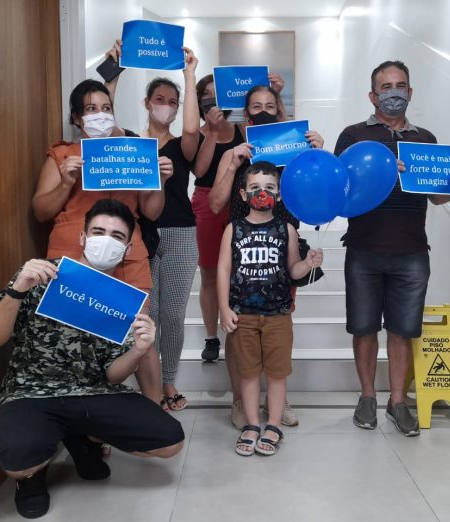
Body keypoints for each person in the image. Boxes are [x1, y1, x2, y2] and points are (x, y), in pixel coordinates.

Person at [0, 199, 185, 519]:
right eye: (98, 232)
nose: (106, 241)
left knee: (170, 441)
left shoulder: (122, 301)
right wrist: (18, 289)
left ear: (127, 249)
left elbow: (113, 375)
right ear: (83, 238)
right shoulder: (42, 274)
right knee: (18, 461)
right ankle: (32, 478)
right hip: (31, 392)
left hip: (94, 392)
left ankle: (80, 436)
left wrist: (138, 349)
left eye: (117, 236)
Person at [333, 60, 450, 436]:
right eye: (386, 87)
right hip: (364, 248)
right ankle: (367, 397)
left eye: (400, 86)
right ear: (372, 95)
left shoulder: (425, 139)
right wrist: (380, 171)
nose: (394, 93)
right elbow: (339, 190)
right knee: (364, 328)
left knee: (402, 330)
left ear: (410, 92)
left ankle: (398, 402)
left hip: (412, 251)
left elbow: (439, 198)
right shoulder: (353, 136)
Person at [31, 79, 173, 405]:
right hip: (72, 254)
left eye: (106, 108)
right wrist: (65, 181)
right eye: (91, 109)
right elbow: (40, 211)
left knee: (141, 334)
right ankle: (80, 416)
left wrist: (161, 181)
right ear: (77, 117)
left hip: (127, 254)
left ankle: (155, 415)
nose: (100, 115)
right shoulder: (63, 155)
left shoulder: (133, 153)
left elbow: (151, 212)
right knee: (73, 335)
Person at [210, 84, 325, 429]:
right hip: (242, 245)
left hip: (282, 243)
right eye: (256, 106)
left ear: (279, 111)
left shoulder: (296, 152)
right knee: (240, 333)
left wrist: (317, 154)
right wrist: (232, 163)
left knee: (278, 323)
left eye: (270, 106)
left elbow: (317, 193)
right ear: (247, 115)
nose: (263, 111)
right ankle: (239, 399)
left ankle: (277, 398)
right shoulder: (235, 153)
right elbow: (215, 204)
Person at [105, 41, 201, 411]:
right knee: (146, 316)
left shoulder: (182, 147)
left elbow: (192, 129)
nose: (165, 105)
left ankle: (169, 380)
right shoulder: (130, 142)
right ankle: (148, 386)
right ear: (147, 103)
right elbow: (104, 126)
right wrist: (114, 70)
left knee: (172, 316)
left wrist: (189, 75)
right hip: (138, 236)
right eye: (159, 99)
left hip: (180, 233)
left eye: (172, 101)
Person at [217, 161, 323, 456]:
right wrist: (224, 308)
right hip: (244, 315)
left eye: (269, 188)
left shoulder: (286, 229)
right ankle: (252, 424)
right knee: (248, 373)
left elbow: (293, 270)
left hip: (278, 315)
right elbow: (223, 270)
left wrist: (309, 263)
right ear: (242, 194)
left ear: (279, 194)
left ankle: (273, 424)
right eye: (254, 188)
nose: (261, 193)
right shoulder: (233, 229)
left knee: (277, 374)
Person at [192, 72, 284, 363]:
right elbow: (201, 174)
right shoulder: (206, 136)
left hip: (255, 211)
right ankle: (213, 336)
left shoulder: (250, 131)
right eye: (207, 96)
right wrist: (215, 134)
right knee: (212, 272)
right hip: (218, 202)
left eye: (218, 94)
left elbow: (278, 137)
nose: (214, 100)